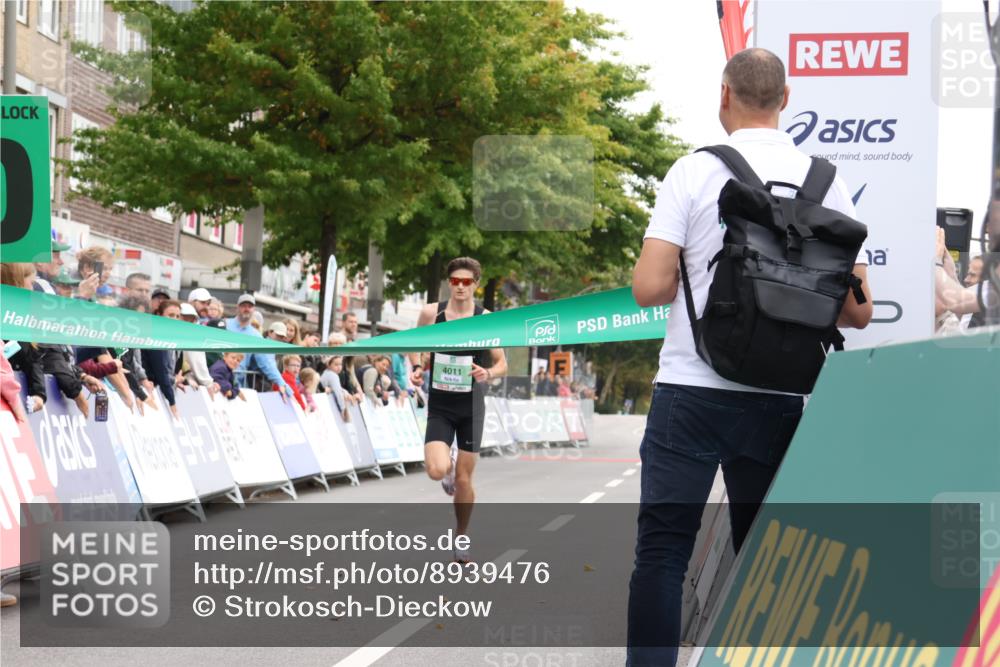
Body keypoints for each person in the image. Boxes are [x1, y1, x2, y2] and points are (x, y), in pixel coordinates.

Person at [627, 48, 873, 666]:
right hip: (781, 394)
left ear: (724, 95)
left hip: (691, 385)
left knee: (662, 552)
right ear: (786, 100)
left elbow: (649, 288)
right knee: (768, 558)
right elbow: (859, 310)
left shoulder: (693, 171)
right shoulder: (828, 180)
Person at [408, 257, 507, 563]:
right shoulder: (431, 313)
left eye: (467, 282)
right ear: (449, 283)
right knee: (436, 471)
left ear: (476, 284)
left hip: (471, 406)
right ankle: (446, 465)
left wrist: (488, 373)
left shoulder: (486, 318)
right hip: (440, 403)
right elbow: (413, 345)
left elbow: (502, 363)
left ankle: (461, 535)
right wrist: (415, 367)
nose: (461, 287)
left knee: (464, 481)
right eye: (455, 282)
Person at [226, 294, 294, 399]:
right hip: (218, 379)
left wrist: (281, 383)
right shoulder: (225, 325)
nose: (246, 309)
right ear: (237, 307)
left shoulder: (256, 336)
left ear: (254, 309)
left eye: (250, 306)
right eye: (243, 305)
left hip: (238, 384)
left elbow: (266, 362)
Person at [145, 300, 185, 418]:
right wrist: (172, 403)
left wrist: (176, 380)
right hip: (151, 390)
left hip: (162, 390)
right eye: (170, 315)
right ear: (159, 316)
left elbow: (173, 371)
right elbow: (161, 373)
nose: (175, 319)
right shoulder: (155, 337)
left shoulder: (177, 340)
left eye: (178, 316)